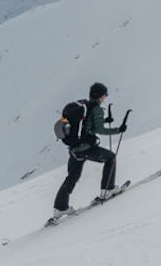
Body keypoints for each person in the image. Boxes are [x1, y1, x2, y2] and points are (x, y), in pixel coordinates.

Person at [53, 82, 127, 218]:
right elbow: (99, 130)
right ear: (100, 95)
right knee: (110, 157)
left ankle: (60, 208)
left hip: (74, 149)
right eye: (105, 94)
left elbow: (88, 125)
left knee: (72, 177)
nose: (106, 97)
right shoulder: (96, 109)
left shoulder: (85, 105)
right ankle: (108, 190)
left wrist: (104, 120)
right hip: (86, 148)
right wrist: (118, 130)